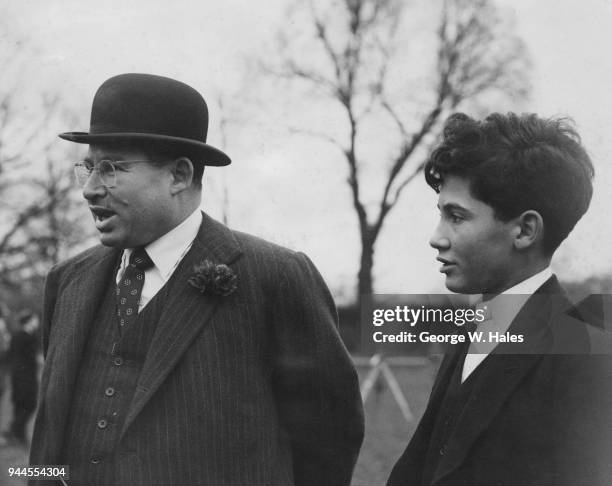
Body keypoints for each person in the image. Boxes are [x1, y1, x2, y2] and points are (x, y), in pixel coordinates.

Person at [30, 73, 364, 485]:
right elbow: (47, 441)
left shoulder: (275, 277)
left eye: (112, 167)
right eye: (88, 168)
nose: (90, 190)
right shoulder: (67, 282)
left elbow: (329, 441)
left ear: (180, 176)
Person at [387, 112, 612, 485]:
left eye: (456, 217)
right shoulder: (470, 331)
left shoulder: (587, 358)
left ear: (524, 230)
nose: (436, 237)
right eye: (440, 214)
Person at [8, 310, 39, 446]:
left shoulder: (15, 336)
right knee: (29, 404)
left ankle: (18, 434)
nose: (37, 322)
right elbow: (32, 358)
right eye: (35, 319)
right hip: (26, 376)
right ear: (29, 321)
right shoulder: (29, 338)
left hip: (16, 375)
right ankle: (15, 431)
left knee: (19, 405)